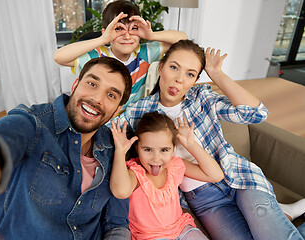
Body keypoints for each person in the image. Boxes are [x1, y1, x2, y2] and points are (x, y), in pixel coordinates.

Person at [110, 39, 305, 239]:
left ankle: (281, 214)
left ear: (195, 80)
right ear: (161, 68)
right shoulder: (140, 111)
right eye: (174, 68)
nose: (179, 79)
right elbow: (104, 134)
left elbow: (255, 114)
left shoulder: (202, 96)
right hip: (203, 197)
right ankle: (285, 214)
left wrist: (218, 75)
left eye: (190, 74)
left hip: (238, 177)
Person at [0, 57, 133, 240]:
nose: (97, 99)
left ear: (118, 109)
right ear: (75, 85)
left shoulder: (114, 147)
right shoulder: (32, 123)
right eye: (91, 83)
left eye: (111, 95)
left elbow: (116, 222)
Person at [53, 0, 188, 110]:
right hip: (101, 119)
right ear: (106, 32)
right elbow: (59, 57)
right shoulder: (98, 57)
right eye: (118, 29)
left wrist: (151, 35)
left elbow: (183, 40)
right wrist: (103, 39)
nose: (127, 35)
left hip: (132, 120)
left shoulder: (144, 53)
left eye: (133, 28)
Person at [110, 112, 224, 239]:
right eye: (147, 150)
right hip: (151, 236)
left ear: (173, 148)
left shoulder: (175, 166)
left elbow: (215, 175)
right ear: (137, 148)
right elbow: (120, 192)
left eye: (164, 150)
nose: (156, 158)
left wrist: (191, 144)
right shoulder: (135, 173)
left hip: (182, 228)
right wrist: (120, 152)